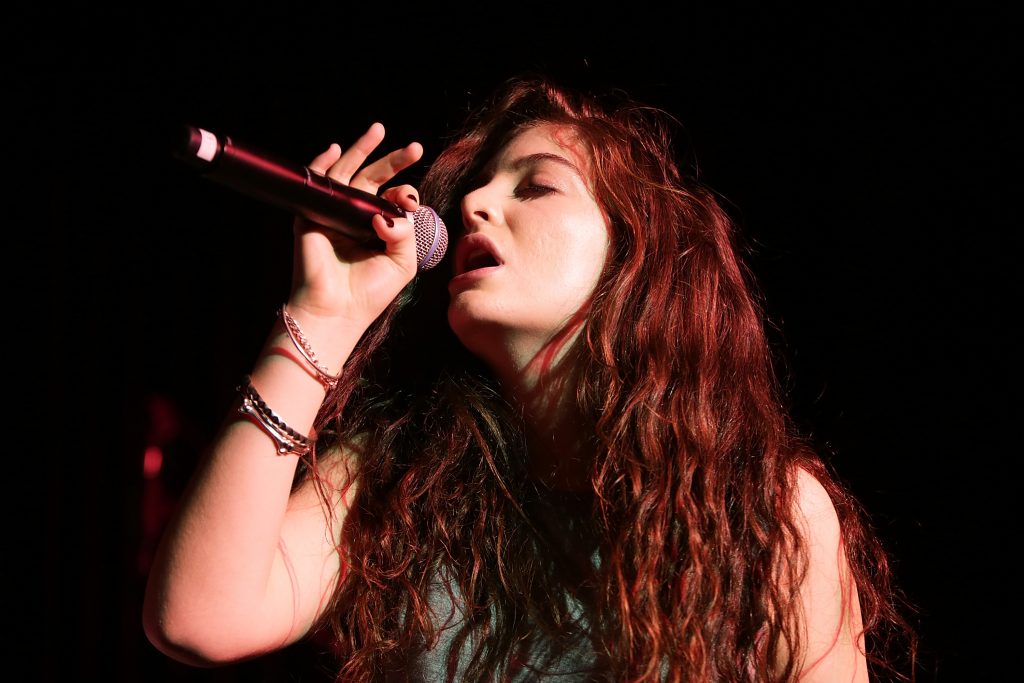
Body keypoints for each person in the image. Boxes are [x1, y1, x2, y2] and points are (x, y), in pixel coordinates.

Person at [142, 74, 917, 681]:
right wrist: (323, 315)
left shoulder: (767, 510)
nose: (475, 203)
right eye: (477, 187)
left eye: (536, 185)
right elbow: (198, 615)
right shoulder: (396, 482)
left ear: (633, 253)